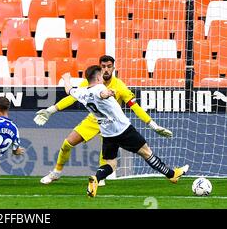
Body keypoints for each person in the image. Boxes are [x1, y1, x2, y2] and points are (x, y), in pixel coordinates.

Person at [34, 55, 173, 185]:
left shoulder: (120, 86)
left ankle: (100, 178)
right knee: (67, 143)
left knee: (107, 154)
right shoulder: (91, 84)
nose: (106, 69)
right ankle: (56, 172)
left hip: (111, 124)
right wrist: (50, 110)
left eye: (109, 66)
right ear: (100, 69)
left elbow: (134, 106)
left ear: (113, 68)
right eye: (103, 67)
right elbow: (72, 97)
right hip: (93, 120)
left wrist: (151, 123)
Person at [62, 66, 189, 197]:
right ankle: (172, 175)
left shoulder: (81, 92)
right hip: (122, 129)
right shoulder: (100, 88)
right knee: (146, 153)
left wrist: (66, 78)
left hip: (107, 132)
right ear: (98, 77)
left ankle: (96, 178)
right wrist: (108, 93)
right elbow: (102, 94)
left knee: (111, 163)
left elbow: (69, 90)